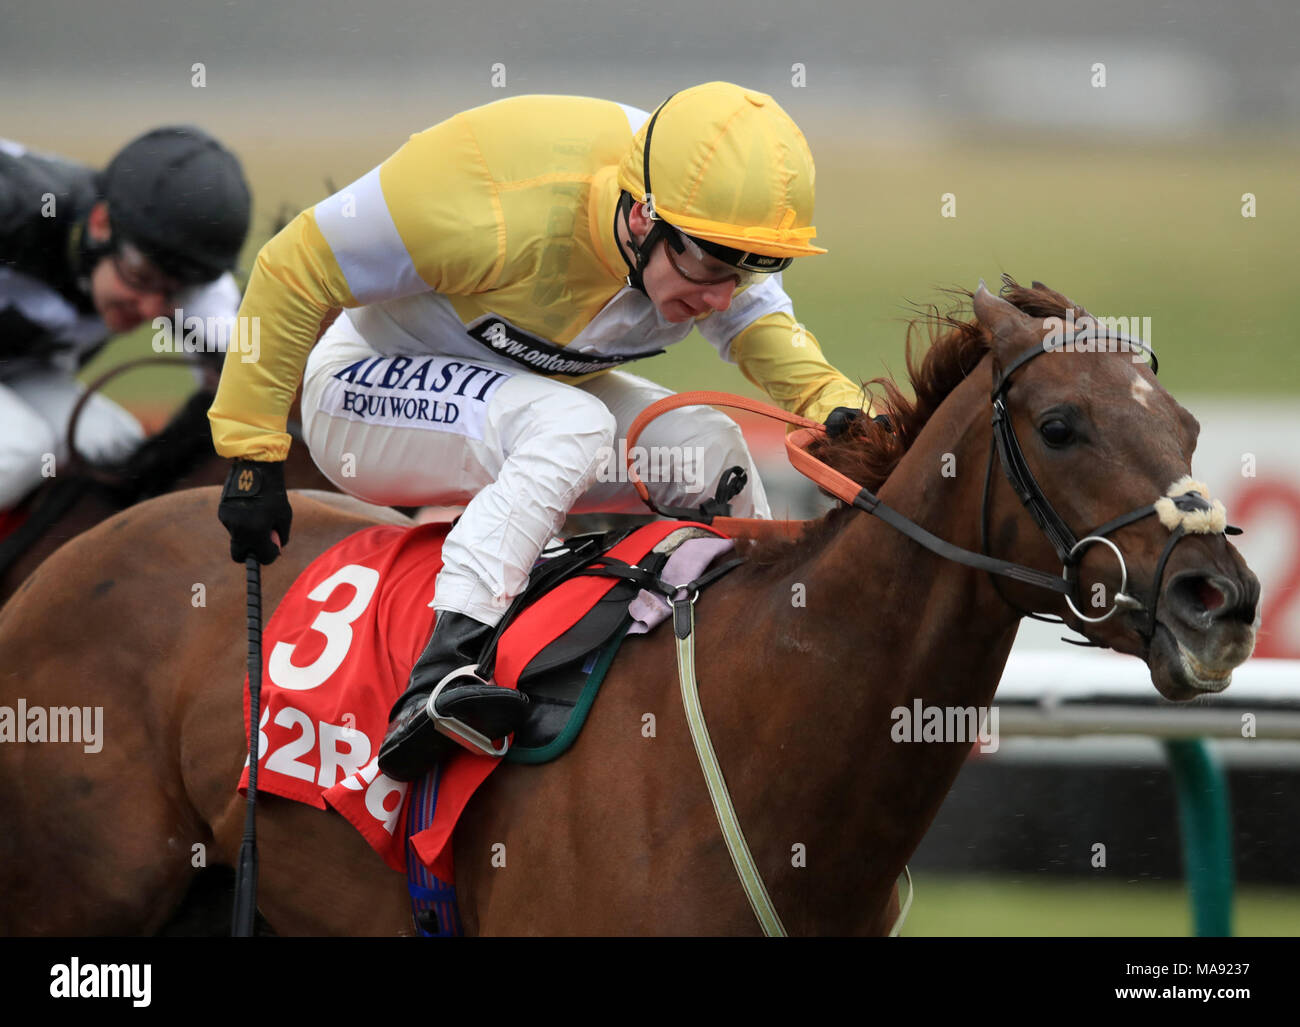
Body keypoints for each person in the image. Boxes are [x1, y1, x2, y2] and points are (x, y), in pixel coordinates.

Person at [209, 82, 873, 781]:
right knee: (572, 424)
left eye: (745, 273)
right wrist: (252, 455)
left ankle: (755, 679)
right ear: (643, 215)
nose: (716, 297)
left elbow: (761, 329)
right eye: (708, 267)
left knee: (707, 447)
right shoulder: (485, 195)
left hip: (529, 398)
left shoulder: (711, 222)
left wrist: (850, 412)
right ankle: (439, 675)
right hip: (364, 393)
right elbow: (294, 262)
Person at [0, 126, 250, 510]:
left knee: (111, 444)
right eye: (142, 278)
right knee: (18, 447)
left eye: (175, 292)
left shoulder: (191, 278)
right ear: (101, 224)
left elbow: (253, 372)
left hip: (19, 372)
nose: (151, 310)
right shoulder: (16, 205)